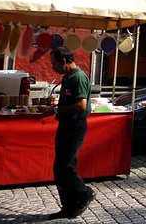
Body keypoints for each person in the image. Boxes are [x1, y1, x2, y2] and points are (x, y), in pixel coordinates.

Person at [47, 46, 94, 220]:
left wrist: (58, 108)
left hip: (75, 126)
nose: (53, 67)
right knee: (60, 167)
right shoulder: (67, 77)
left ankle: (84, 193)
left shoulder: (78, 77)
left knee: (64, 166)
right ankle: (69, 206)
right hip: (65, 124)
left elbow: (81, 105)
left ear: (64, 61)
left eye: (54, 63)